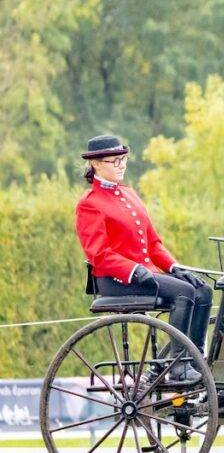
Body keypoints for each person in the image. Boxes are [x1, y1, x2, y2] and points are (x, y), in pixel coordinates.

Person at [75, 135, 212, 383]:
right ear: (95, 164)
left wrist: (174, 267)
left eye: (123, 159)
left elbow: (153, 243)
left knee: (203, 290)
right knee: (183, 292)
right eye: (114, 161)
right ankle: (178, 365)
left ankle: (195, 358)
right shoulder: (90, 203)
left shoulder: (129, 194)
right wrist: (133, 269)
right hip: (116, 279)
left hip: (145, 272)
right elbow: (99, 254)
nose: (121, 165)